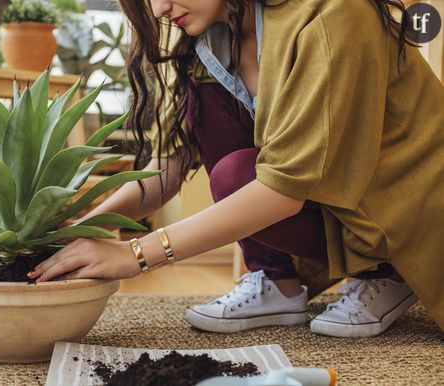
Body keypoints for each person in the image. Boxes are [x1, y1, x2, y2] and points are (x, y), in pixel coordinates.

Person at [28, 0, 444, 337]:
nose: (157, 9)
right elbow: (168, 168)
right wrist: (84, 229)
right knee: (222, 141)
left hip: (413, 212)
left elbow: (284, 188)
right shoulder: (215, 37)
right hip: (345, 206)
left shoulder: (334, 13)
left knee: (235, 177)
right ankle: (276, 283)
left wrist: (136, 254)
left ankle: (391, 272)